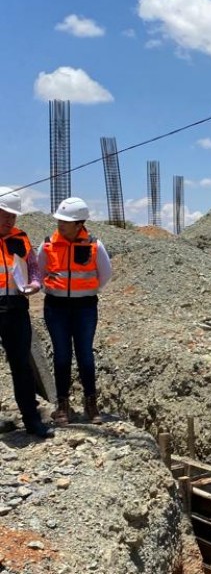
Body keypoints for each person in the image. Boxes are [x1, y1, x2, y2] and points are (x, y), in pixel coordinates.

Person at [38, 197, 112, 425]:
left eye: (65, 221)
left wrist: (87, 291)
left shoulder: (94, 245)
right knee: (61, 355)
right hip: (56, 307)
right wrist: (53, 290)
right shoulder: (48, 244)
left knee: (85, 354)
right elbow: (38, 273)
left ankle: (91, 404)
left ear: (79, 224)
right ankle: (63, 405)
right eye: (59, 220)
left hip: (85, 308)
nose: (60, 224)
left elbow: (106, 273)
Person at [0, 187, 54, 439]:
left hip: (15, 307)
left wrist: (34, 285)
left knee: (21, 366)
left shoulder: (20, 238)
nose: (9, 220)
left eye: (12, 216)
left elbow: (34, 270)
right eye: (4, 215)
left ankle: (32, 421)